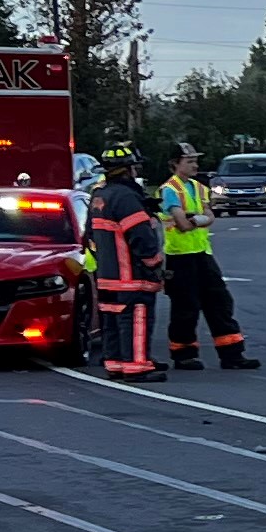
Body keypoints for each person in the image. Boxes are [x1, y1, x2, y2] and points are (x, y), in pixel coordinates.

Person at [156, 143, 258, 371]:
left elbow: (210, 216)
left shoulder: (198, 187)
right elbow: (182, 224)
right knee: (186, 307)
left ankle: (232, 355)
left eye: (195, 160)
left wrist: (195, 219)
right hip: (180, 257)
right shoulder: (169, 190)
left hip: (202, 254)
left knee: (220, 302)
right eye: (189, 161)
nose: (195, 165)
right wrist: (196, 219)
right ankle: (183, 355)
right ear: (175, 164)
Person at [90, 154, 167, 379]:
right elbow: (141, 237)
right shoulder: (125, 197)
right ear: (127, 170)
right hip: (131, 276)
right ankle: (136, 367)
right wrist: (154, 264)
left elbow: (91, 236)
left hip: (107, 275)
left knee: (113, 321)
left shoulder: (99, 196)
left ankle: (115, 364)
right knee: (136, 319)